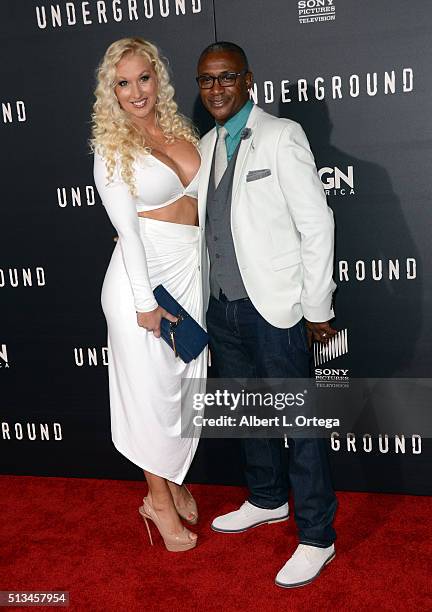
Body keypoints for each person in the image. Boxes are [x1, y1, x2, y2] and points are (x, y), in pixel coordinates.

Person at [196, 41, 338, 587]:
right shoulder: (206, 146)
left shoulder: (282, 136)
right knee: (249, 412)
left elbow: (316, 224)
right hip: (224, 307)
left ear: (248, 80)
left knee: (299, 425)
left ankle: (318, 536)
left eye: (226, 77)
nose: (216, 89)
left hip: (276, 307)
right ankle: (266, 498)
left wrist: (316, 307)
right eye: (206, 80)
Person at [92, 37, 206, 552]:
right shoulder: (112, 146)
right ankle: (156, 500)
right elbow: (129, 233)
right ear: (111, 92)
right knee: (149, 392)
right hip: (144, 281)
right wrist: (144, 305)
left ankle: (173, 477)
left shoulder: (182, 130)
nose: (136, 91)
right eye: (124, 82)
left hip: (187, 272)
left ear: (158, 78)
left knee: (182, 387)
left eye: (144, 78)